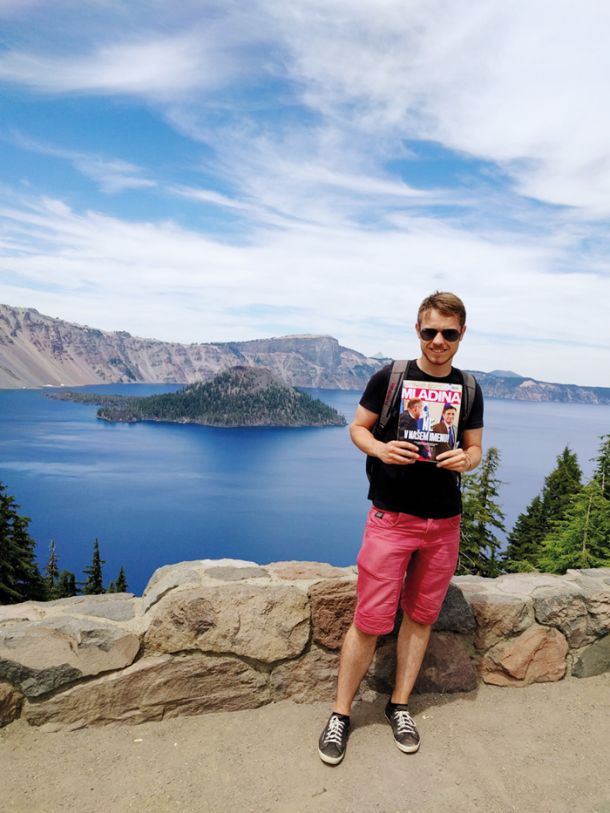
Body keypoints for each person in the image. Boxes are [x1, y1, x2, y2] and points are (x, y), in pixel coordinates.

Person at [318, 291, 484, 765]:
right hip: (391, 519)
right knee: (369, 620)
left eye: (448, 333)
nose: (438, 341)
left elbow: (476, 449)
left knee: (422, 616)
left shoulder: (468, 388)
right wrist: (380, 449)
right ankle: (340, 714)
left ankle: (399, 705)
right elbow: (357, 428)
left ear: (461, 335)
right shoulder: (389, 378)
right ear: (418, 330)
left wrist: (465, 460)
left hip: (443, 524)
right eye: (430, 331)